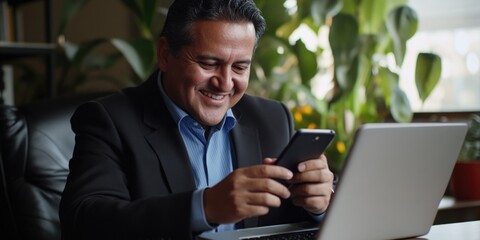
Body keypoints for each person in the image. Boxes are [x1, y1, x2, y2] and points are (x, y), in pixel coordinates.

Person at [59, 0, 335, 239]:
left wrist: (320, 206)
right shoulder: (109, 120)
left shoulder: (273, 118)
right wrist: (204, 207)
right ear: (166, 55)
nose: (224, 83)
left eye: (240, 67)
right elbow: (84, 222)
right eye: (209, 64)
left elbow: (292, 218)